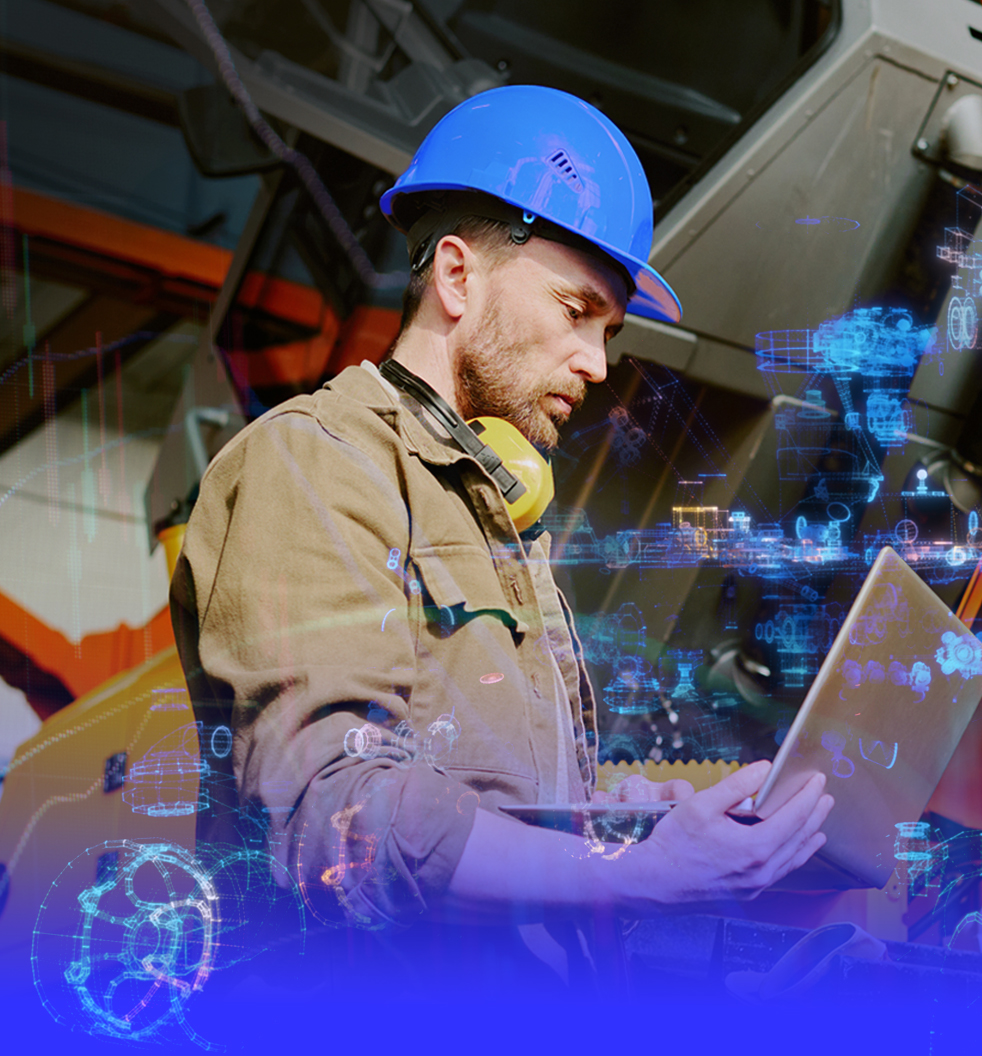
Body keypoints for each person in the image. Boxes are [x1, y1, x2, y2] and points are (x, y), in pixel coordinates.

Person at [170, 85, 833, 995]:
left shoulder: (500, 520)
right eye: (575, 311)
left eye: (608, 330)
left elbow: (488, 797)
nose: (599, 365)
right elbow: (337, 809)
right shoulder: (317, 464)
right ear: (455, 276)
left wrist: (628, 821)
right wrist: (634, 874)